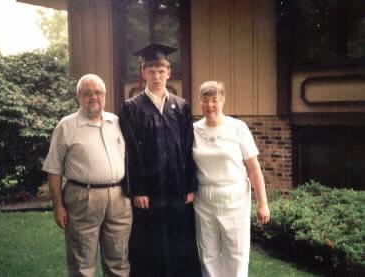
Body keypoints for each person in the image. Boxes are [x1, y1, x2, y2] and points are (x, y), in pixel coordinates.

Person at [119, 43, 201, 277]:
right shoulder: (132, 107)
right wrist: (138, 189)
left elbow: (188, 148)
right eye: (151, 71)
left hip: (177, 190)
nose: (156, 76)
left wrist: (189, 186)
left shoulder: (181, 105)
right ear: (143, 73)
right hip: (149, 192)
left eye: (160, 71)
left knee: (180, 243)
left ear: (168, 72)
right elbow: (130, 151)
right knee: (150, 246)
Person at [42, 74, 132, 277]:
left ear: (105, 95)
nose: (94, 97)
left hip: (118, 198)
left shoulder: (116, 122)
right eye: (87, 93)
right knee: (82, 263)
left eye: (98, 92)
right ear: (78, 97)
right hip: (83, 198)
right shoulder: (66, 126)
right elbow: (54, 169)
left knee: (119, 260)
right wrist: (58, 206)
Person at [192, 81, 270, 277]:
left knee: (236, 252)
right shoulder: (193, 130)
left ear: (223, 100)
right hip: (204, 199)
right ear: (199, 102)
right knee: (208, 253)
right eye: (205, 100)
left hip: (234, 198)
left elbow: (253, 169)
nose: (210, 105)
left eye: (214, 100)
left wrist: (263, 203)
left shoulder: (237, 127)